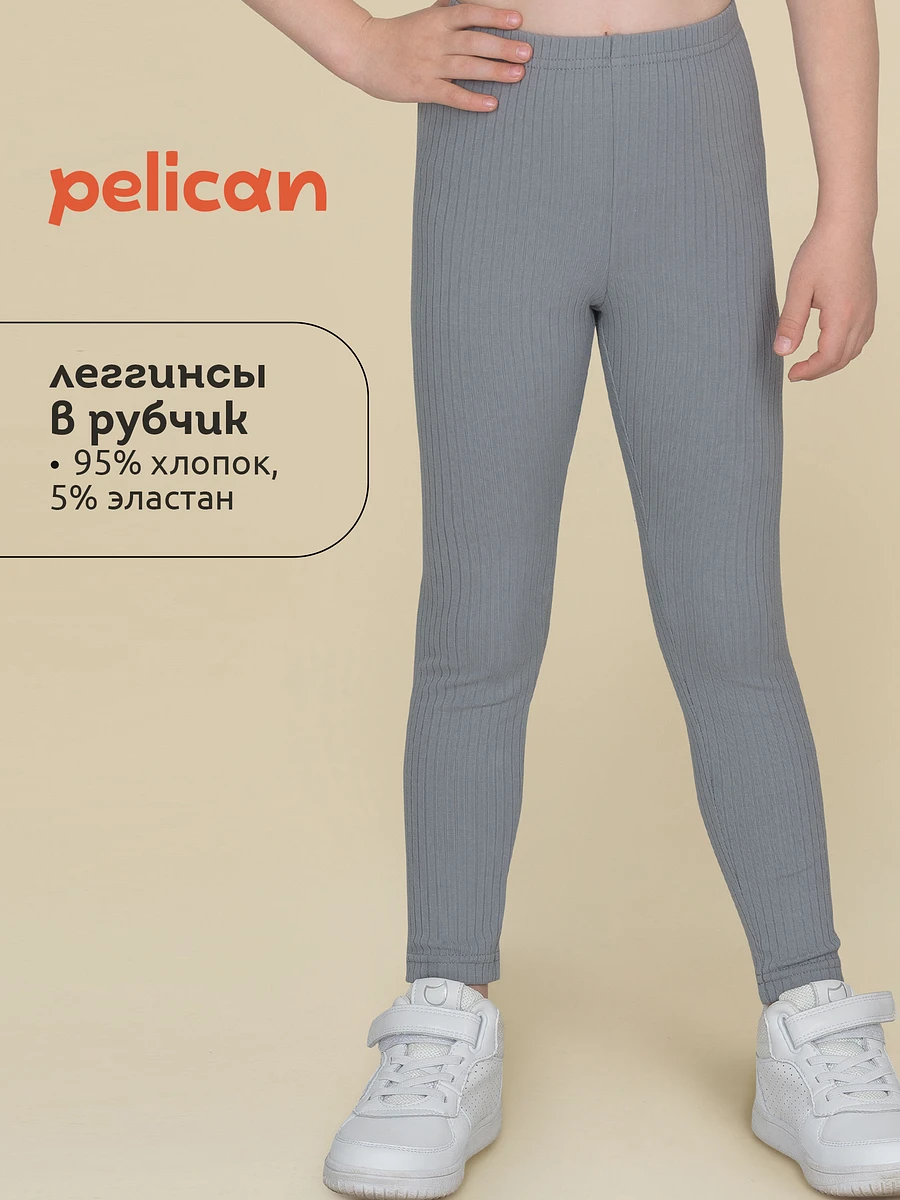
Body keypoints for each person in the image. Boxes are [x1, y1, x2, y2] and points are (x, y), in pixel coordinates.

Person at [241, 0, 894, 1196]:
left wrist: (846, 213)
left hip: (696, 136)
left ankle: (811, 1013)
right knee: (476, 621)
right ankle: (446, 1009)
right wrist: (359, 43)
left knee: (730, 624)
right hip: (497, 132)